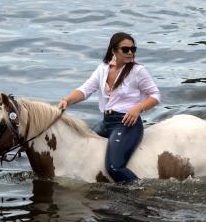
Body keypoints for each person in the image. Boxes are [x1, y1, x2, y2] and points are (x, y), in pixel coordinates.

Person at [57, 32, 160, 183]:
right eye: (125, 49)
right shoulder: (102, 69)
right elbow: (85, 90)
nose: (130, 52)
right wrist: (67, 100)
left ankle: (142, 191)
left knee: (114, 167)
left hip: (127, 124)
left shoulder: (138, 71)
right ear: (113, 50)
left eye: (133, 49)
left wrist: (138, 108)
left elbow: (155, 96)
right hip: (107, 123)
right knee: (81, 150)